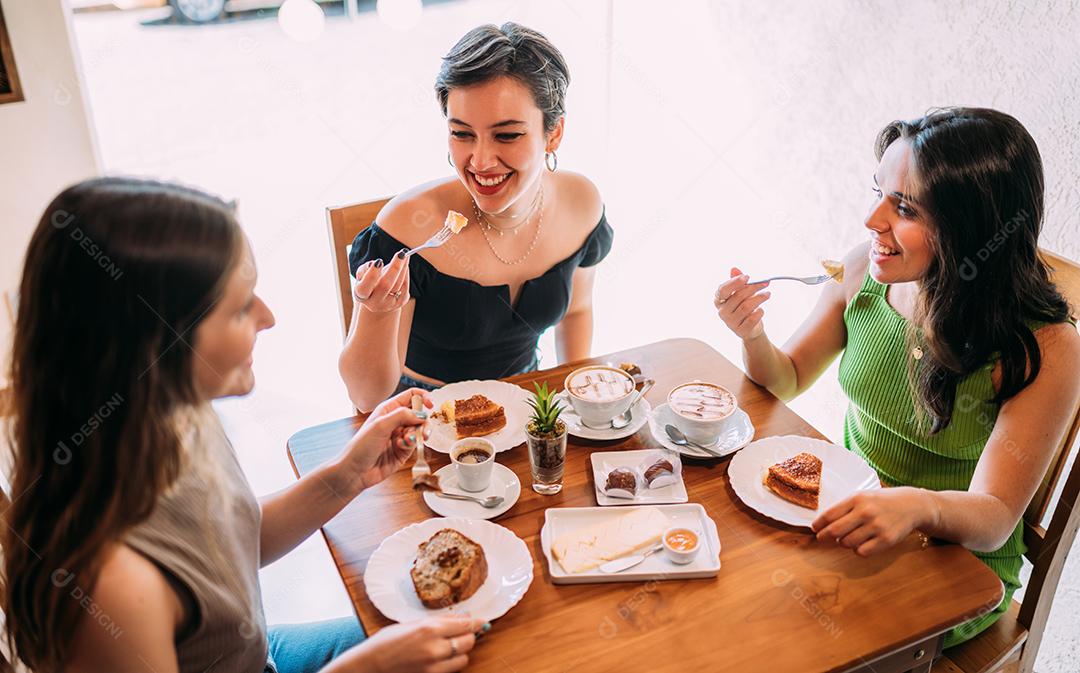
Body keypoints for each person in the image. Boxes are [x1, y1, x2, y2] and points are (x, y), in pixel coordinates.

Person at [1, 178, 485, 673]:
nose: (269, 318)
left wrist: (349, 475)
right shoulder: (112, 588)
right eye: (238, 306)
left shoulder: (176, 418)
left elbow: (229, 545)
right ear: (150, 342)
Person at [713, 107, 1080, 646]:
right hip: (849, 521)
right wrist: (751, 335)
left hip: (956, 566)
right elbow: (785, 378)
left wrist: (917, 505)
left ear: (971, 227)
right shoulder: (864, 270)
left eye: (904, 207)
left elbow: (997, 516)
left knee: (793, 638)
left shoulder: (1049, 347)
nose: (871, 220)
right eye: (878, 191)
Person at [339, 22, 612, 412]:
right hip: (422, 418)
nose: (480, 162)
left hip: (525, 406)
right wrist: (376, 311)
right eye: (462, 134)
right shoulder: (406, 229)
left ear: (553, 134)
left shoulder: (581, 202)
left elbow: (578, 310)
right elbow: (366, 397)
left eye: (507, 135)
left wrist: (573, 406)